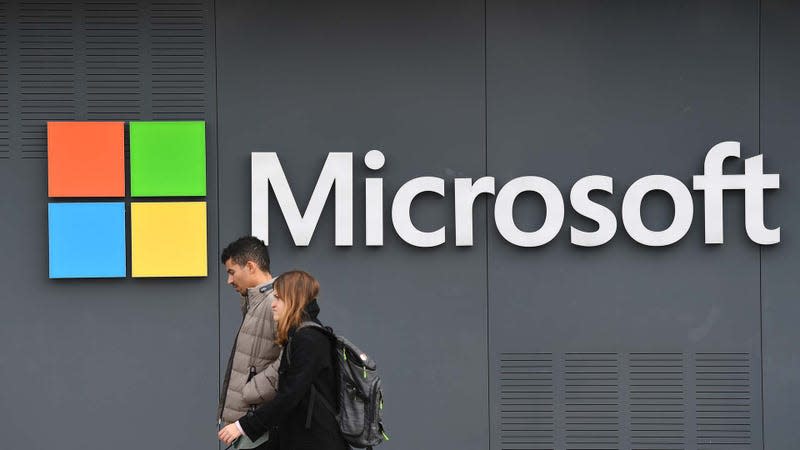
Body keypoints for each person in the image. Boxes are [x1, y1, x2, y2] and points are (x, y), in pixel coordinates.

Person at [218, 270, 349, 450]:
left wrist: (243, 426)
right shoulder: (299, 336)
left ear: (294, 300)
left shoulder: (309, 339)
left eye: (278, 298)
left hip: (316, 441)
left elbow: (289, 396)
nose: (273, 304)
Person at [217, 236, 281, 449]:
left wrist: (253, 387)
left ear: (251, 266)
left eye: (232, 272)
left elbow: (292, 360)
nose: (229, 281)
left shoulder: (275, 303)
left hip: (260, 431)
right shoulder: (256, 303)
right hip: (249, 428)